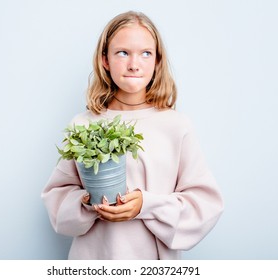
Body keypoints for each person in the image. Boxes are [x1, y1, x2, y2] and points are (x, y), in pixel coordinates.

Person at [41, 11, 223, 260]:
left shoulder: (176, 125)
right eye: (122, 53)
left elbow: (205, 205)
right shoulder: (82, 125)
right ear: (105, 60)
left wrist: (145, 205)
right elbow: (57, 200)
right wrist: (89, 201)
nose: (134, 64)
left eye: (146, 53)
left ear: (157, 61)